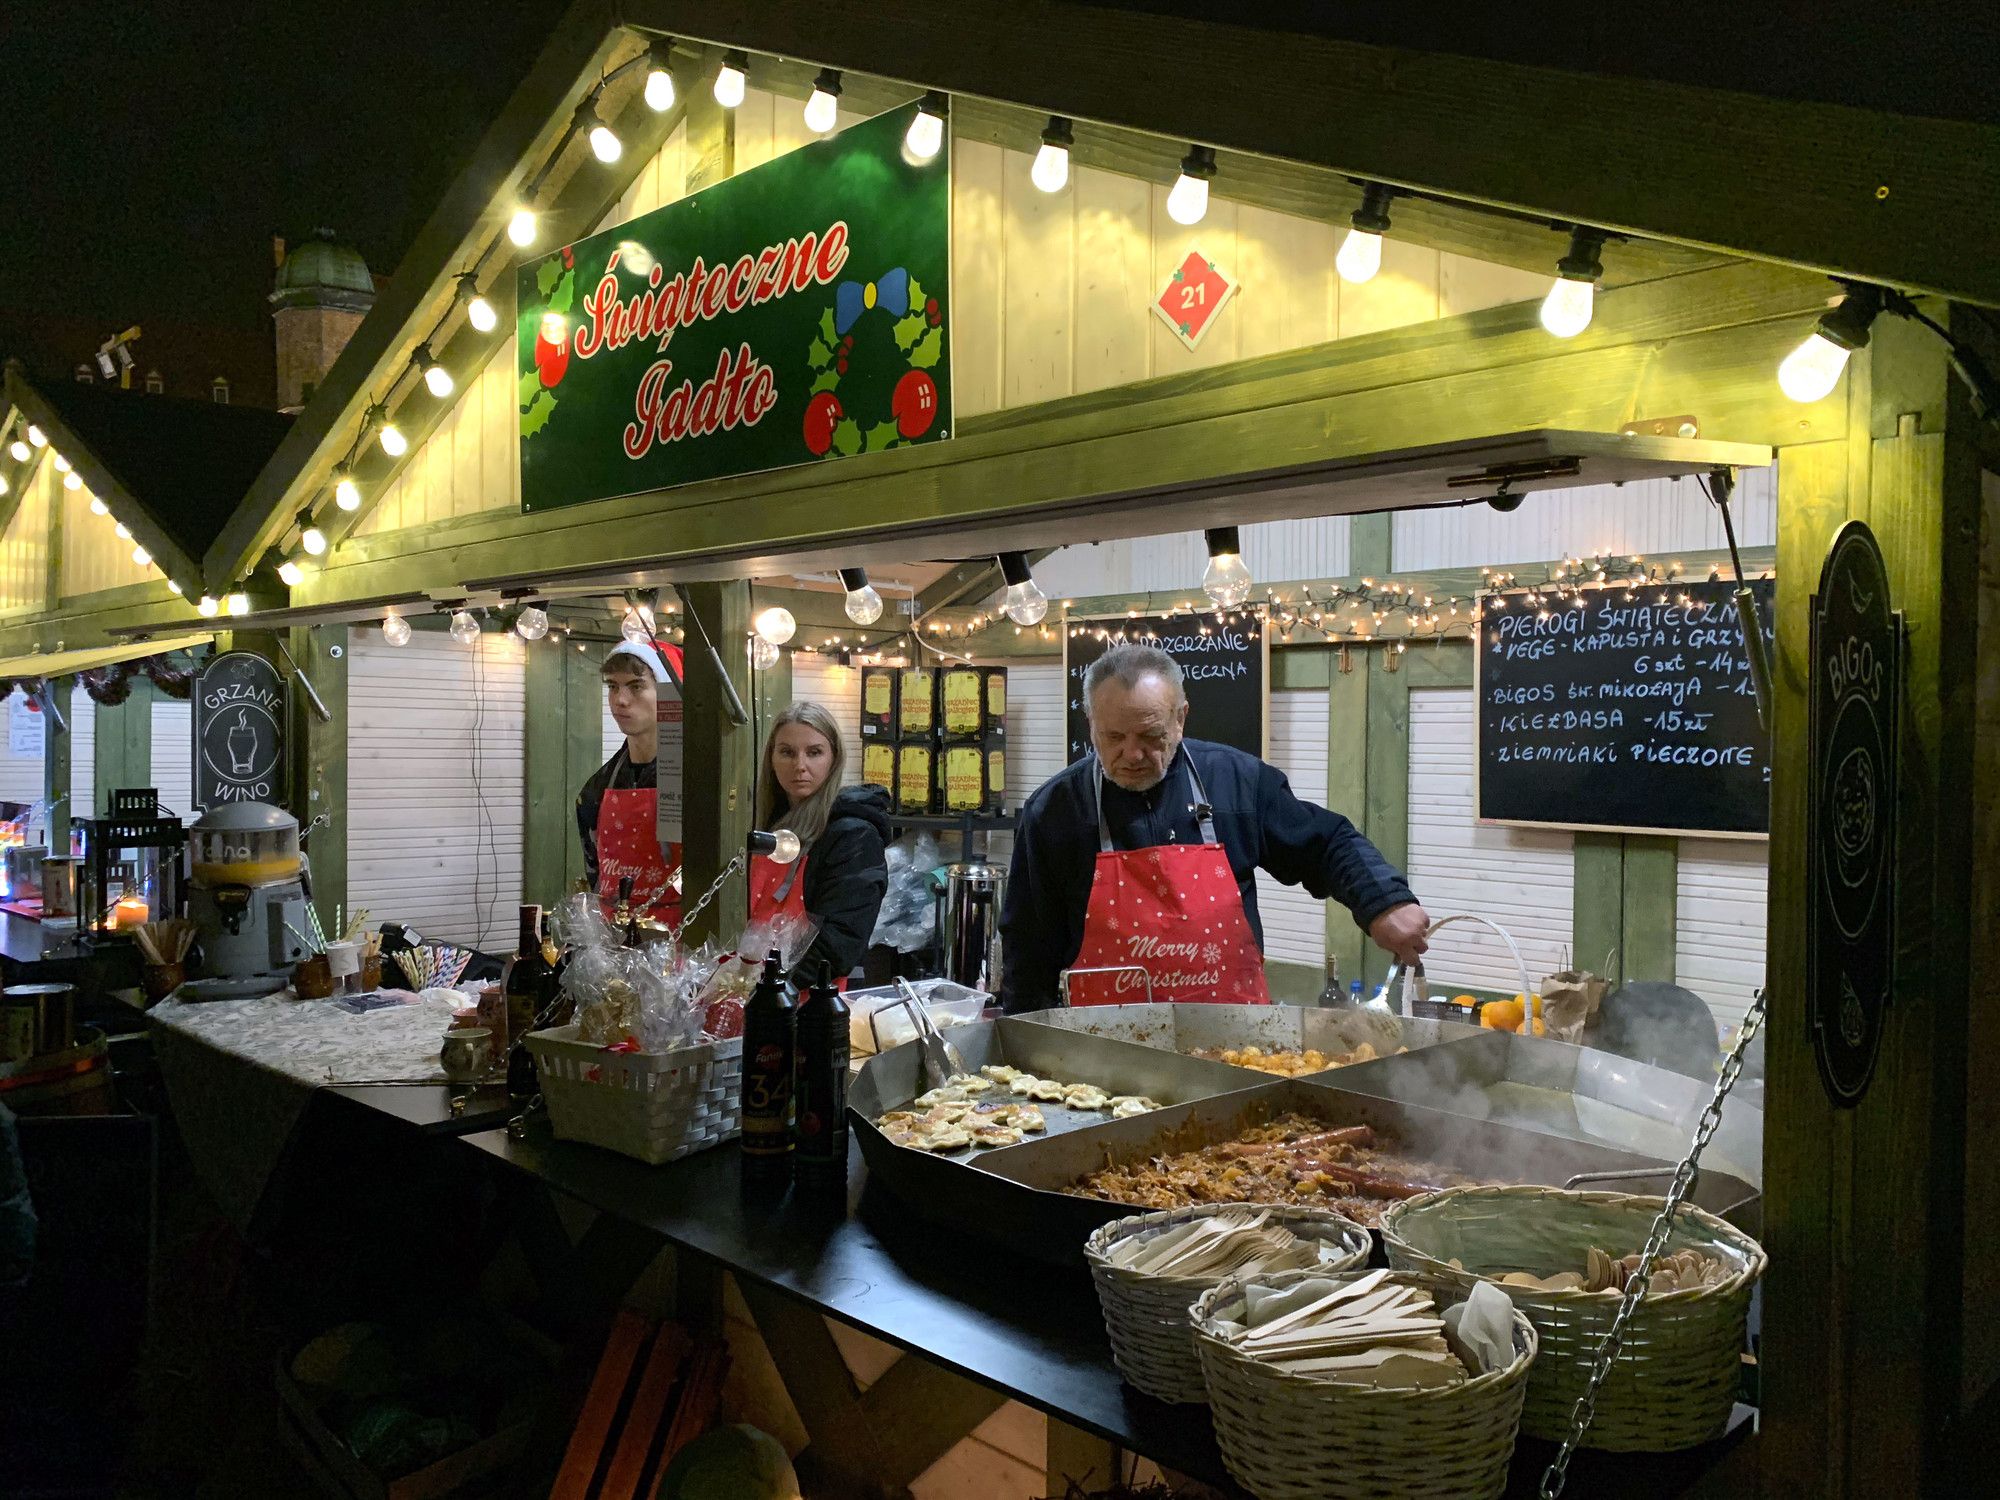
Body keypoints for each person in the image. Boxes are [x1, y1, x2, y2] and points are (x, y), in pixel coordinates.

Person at [1000, 642, 1429, 1010]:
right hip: (1102, 1055)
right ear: (1090, 721)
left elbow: (1326, 843)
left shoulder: (1238, 783)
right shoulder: (1054, 811)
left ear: (1181, 718)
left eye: (1150, 735)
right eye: (1114, 737)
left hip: (1234, 1042)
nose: (1132, 754)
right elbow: (1029, 949)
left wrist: (1382, 901)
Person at [754, 702, 893, 988]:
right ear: (771, 758)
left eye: (814, 752)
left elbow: (838, 946)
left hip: (810, 1006)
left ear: (834, 759)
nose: (799, 765)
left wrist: (768, 989)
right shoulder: (766, 829)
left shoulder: (854, 836)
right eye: (787, 752)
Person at [576, 637, 685, 927]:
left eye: (636, 686)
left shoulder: (698, 784)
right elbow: (596, 878)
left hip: (683, 943)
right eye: (612, 686)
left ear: (668, 693)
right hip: (614, 942)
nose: (620, 700)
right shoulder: (595, 790)